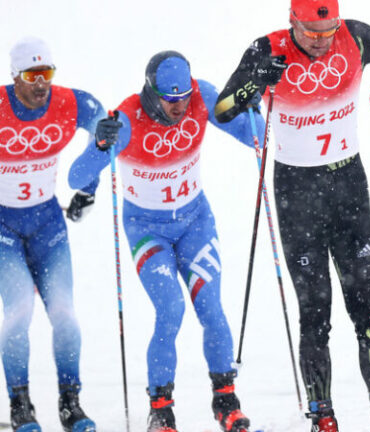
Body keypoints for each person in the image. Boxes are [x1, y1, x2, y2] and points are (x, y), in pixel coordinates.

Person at [214, 0, 370, 430]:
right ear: (292, 22)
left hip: (348, 185)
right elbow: (223, 109)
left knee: (366, 307)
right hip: (298, 192)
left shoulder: (354, 35)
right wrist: (256, 83)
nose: (321, 42)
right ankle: (323, 415)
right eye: (310, 33)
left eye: (327, 32)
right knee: (315, 311)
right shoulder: (267, 49)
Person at [68, 50, 264, 432]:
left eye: (184, 96)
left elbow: (255, 137)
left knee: (211, 308)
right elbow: (77, 178)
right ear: (151, 92)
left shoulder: (203, 96)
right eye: (170, 99)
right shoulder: (127, 119)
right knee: (170, 309)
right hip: (147, 229)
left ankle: (226, 402)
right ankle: (161, 411)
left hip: (195, 222)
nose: (179, 106)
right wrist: (100, 145)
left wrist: (252, 108)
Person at [0, 37, 104, 432]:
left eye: (46, 73)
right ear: (15, 77)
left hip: (47, 224)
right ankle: (20, 403)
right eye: (32, 76)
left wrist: (88, 189)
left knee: (65, 316)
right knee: (18, 313)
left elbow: (103, 128)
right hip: (3, 227)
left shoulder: (68, 102)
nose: (41, 83)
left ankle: (70, 403)